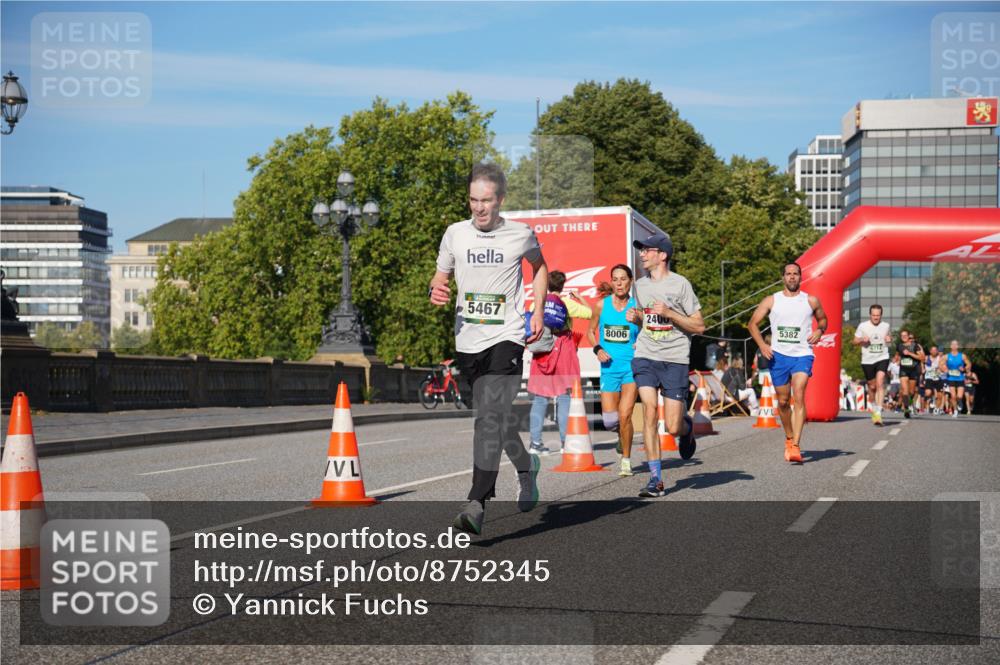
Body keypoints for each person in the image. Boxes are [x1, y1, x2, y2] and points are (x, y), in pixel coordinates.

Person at [429, 162, 548, 535]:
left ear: (501, 200)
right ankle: (527, 467)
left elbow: (540, 268)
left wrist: (538, 310)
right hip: (468, 340)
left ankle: (476, 502)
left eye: (486, 201)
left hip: (508, 336)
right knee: (494, 418)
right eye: (472, 200)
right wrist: (437, 289)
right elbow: (440, 276)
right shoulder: (455, 234)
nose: (479, 208)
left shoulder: (520, 234)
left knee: (488, 420)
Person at [626, 232, 704, 497]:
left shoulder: (681, 285)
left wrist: (669, 312)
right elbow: (646, 321)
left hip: (674, 359)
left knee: (672, 426)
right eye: (641, 250)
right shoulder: (639, 286)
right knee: (649, 410)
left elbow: (699, 325)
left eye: (647, 250)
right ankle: (656, 480)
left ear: (662, 255)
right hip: (646, 355)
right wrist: (636, 318)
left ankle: (687, 428)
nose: (642, 254)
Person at [748, 262, 828, 464]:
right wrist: (762, 346)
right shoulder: (772, 300)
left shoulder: (810, 300)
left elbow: (823, 320)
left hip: (802, 354)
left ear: (801, 277)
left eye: (795, 274)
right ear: (782, 277)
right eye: (788, 274)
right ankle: (789, 437)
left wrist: (819, 330)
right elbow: (752, 324)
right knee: (783, 402)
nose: (792, 277)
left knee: (799, 393)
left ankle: (796, 445)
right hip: (779, 356)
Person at [527, 271, 590, 454]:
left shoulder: (536, 302)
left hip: (543, 351)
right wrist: (580, 298)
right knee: (564, 397)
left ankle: (535, 444)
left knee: (539, 398)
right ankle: (566, 443)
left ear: (546, 285)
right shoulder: (567, 304)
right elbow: (591, 314)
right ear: (562, 286)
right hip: (564, 350)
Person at [586, 264, 640, 477]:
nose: (619, 283)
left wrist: (641, 336)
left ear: (630, 281)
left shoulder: (637, 308)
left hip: (631, 368)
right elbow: (590, 332)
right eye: (615, 279)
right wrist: (597, 348)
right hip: (608, 368)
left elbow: (649, 332)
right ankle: (621, 437)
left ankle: (626, 460)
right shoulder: (601, 306)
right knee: (611, 421)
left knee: (625, 415)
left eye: (623, 279)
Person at [853, 304, 892, 426]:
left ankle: (878, 412)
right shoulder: (863, 326)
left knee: (880, 381)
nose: (876, 317)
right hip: (867, 359)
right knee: (872, 386)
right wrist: (861, 340)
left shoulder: (886, 325)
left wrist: (889, 339)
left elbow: (888, 337)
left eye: (878, 315)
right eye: (874, 315)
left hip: (882, 357)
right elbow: (854, 341)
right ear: (870, 315)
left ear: (881, 315)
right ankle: (874, 406)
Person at [895, 329, 924, 418]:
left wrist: (910, 353)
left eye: (905, 335)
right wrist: (897, 359)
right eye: (902, 336)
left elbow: (922, 357)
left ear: (908, 336)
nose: (904, 337)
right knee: (905, 391)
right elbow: (897, 354)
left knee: (911, 392)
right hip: (903, 370)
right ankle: (906, 409)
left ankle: (910, 402)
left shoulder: (915, 346)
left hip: (913, 370)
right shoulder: (899, 346)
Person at [941, 340, 971, 418]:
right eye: (952, 344)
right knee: (953, 396)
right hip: (951, 378)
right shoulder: (947, 356)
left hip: (960, 378)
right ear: (950, 346)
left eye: (956, 345)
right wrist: (944, 369)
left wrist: (964, 368)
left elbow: (969, 364)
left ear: (958, 346)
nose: (954, 346)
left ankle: (957, 404)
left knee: (959, 397)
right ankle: (955, 410)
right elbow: (941, 364)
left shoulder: (962, 356)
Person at [923, 345, 944, 415]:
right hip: (929, 377)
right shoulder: (926, 357)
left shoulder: (940, 358)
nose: (934, 351)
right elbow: (921, 361)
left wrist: (941, 369)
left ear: (937, 351)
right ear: (930, 351)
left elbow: (943, 367)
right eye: (933, 350)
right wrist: (922, 368)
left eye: (936, 350)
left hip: (938, 378)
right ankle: (931, 400)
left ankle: (936, 409)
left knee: (940, 395)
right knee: (928, 393)